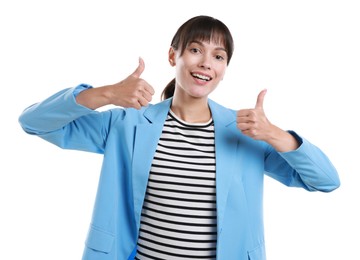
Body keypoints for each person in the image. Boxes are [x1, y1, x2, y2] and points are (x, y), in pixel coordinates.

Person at [18, 15, 340, 260]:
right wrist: (108, 94)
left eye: (218, 56)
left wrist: (274, 134)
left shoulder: (246, 134)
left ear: (225, 68)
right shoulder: (127, 124)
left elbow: (326, 180)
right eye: (196, 50)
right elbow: (34, 122)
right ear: (174, 56)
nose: (205, 63)